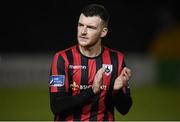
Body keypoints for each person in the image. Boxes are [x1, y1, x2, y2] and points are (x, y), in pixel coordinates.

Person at [49, 3, 133, 121]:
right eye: (80, 25)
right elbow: (57, 106)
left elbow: (125, 109)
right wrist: (92, 91)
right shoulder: (63, 58)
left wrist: (117, 91)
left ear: (103, 32)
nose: (83, 31)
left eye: (90, 27)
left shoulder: (116, 59)